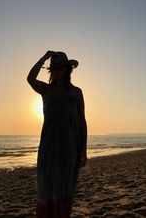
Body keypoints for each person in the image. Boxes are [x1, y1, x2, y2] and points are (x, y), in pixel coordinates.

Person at [27, 51, 87, 218]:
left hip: (70, 148)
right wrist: (43, 58)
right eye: (54, 68)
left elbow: (82, 121)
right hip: (48, 148)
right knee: (46, 188)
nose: (57, 71)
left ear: (67, 69)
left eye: (60, 67)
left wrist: (83, 149)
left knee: (65, 189)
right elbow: (30, 79)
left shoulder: (76, 92)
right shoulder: (46, 90)